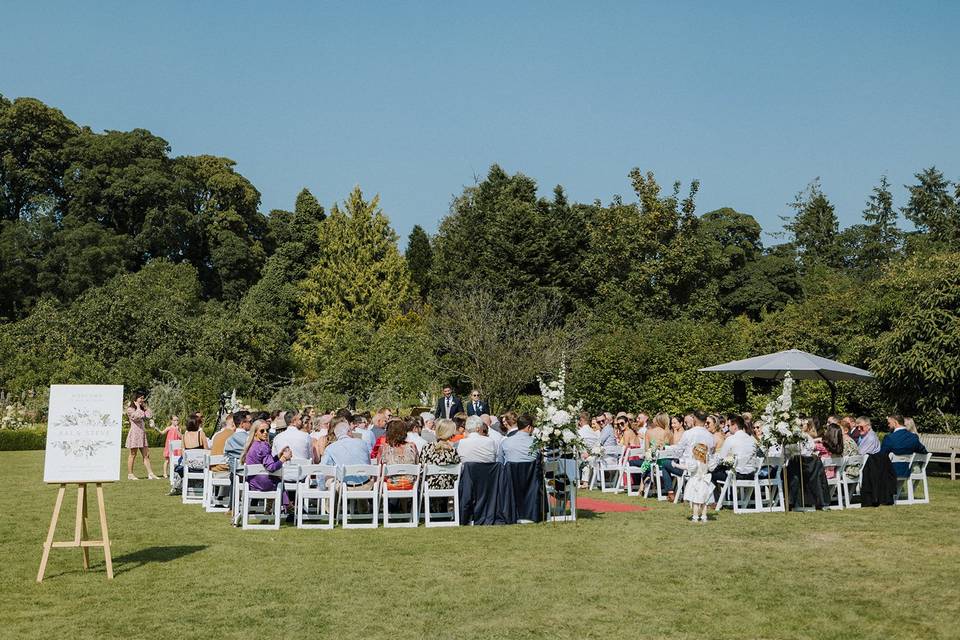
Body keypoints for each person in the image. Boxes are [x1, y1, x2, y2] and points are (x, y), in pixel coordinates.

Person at [660, 410, 714, 500]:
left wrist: (666, 448)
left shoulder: (688, 433)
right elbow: (711, 452)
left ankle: (670, 492)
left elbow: (678, 450)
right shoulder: (710, 435)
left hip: (688, 469)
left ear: (695, 419)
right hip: (704, 470)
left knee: (665, 463)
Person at [240, 419, 292, 509]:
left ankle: (270, 511)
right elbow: (271, 467)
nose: (265, 433)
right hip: (263, 484)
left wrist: (278, 457)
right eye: (262, 431)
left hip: (252, 482)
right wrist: (283, 458)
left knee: (275, 479)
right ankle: (288, 507)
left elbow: (265, 461)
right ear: (255, 432)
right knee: (278, 480)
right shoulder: (263, 446)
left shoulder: (252, 445)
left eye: (267, 430)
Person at [322, 421, 377, 488]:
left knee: (329, 478)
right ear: (348, 431)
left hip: (344, 488)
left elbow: (323, 469)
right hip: (366, 486)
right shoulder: (362, 443)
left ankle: (328, 497)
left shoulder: (330, 448)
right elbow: (368, 463)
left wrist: (321, 487)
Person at [710, 415, 758, 490]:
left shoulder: (731, 439)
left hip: (736, 476)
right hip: (751, 476)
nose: (728, 428)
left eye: (729, 425)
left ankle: (720, 498)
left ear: (735, 426)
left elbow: (721, 458)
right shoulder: (752, 440)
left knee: (712, 473)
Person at [125, 390, 159, 480]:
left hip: (142, 434)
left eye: (143, 398)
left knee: (146, 454)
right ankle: (130, 474)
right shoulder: (130, 409)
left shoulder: (142, 408)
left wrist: (145, 407)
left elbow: (149, 415)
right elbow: (137, 417)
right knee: (133, 454)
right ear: (136, 399)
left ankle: (150, 473)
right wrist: (138, 407)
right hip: (135, 434)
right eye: (140, 398)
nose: (142, 400)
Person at [419, 419, 461, 488]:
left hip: (429, 486)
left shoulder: (427, 447)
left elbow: (421, 467)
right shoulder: (452, 450)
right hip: (448, 487)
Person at [378, 419, 419, 489]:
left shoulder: (384, 448)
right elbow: (417, 464)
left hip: (391, 485)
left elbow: (380, 471)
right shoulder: (412, 447)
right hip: (410, 485)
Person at [682, 443, 714, 522]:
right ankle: (704, 516)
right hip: (705, 483)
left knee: (695, 501)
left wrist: (676, 465)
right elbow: (710, 469)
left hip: (696, 482)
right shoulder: (706, 462)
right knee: (704, 502)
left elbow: (688, 468)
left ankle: (695, 517)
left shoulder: (695, 463)